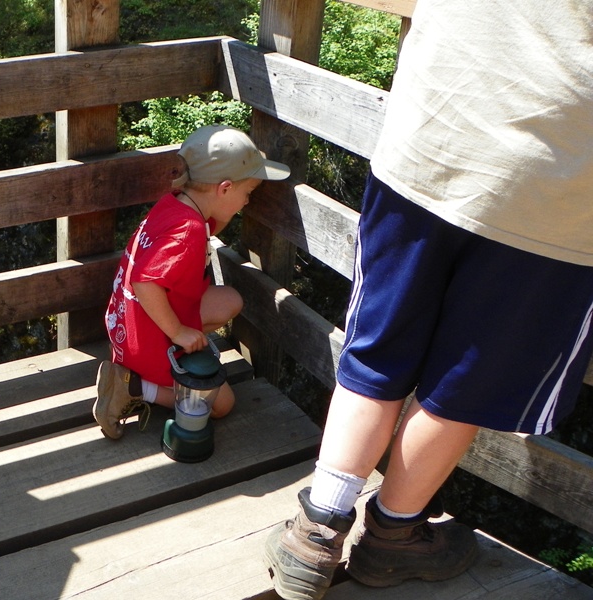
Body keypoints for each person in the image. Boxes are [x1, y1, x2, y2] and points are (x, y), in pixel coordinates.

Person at [264, 0, 593, 598]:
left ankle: (315, 532)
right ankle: (393, 536)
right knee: (467, 379)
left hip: (430, 144)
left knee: (378, 349)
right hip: (555, 191)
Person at [93, 124, 290, 439]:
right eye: (247, 193)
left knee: (230, 300)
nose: (248, 203)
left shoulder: (177, 204)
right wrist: (179, 332)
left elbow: (203, 231)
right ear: (224, 188)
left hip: (128, 325)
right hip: (148, 339)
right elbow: (145, 283)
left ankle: (143, 366)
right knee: (221, 404)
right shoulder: (188, 232)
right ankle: (134, 387)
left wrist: (224, 210)